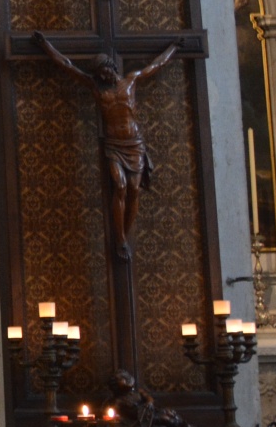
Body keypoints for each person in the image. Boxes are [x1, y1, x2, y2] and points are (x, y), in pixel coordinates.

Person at [34, 34, 177, 259]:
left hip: (134, 144)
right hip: (114, 145)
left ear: (111, 67)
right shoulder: (96, 87)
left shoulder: (131, 81)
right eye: (99, 73)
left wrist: (174, 47)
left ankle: (125, 235)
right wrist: (46, 45)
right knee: (120, 186)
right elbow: (67, 65)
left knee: (134, 189)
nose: (103, 76)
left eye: (104, 71)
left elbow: (157, 65)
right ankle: (120, 239)